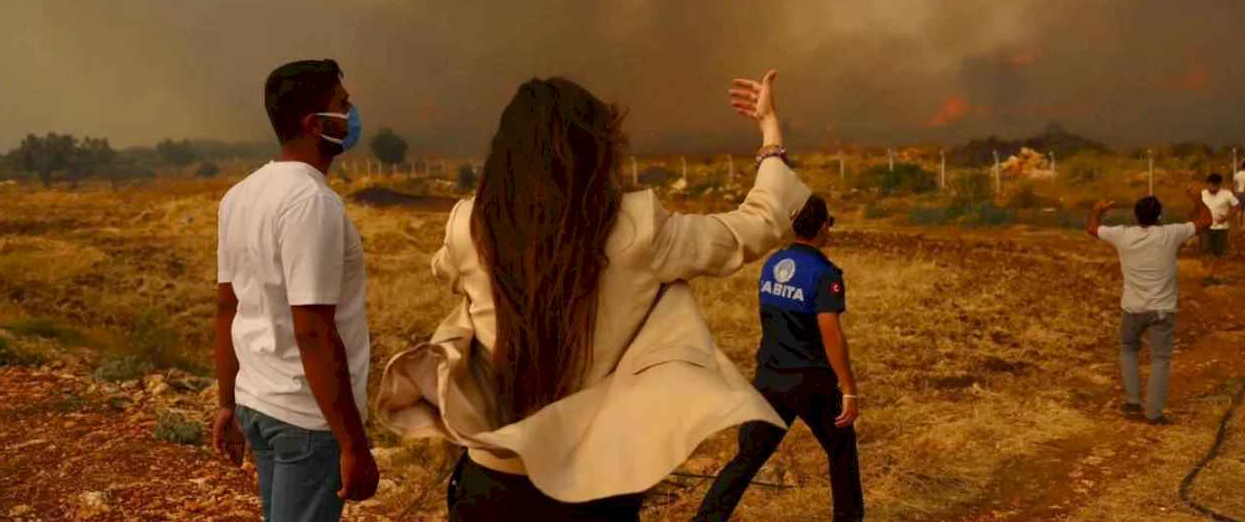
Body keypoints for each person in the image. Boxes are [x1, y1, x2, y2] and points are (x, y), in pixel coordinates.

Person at [376, 69, 812, 520]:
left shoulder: (470, 226)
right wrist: (770, 135)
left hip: (493, 483)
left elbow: (444, 269)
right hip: (595, 489)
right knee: (669, 290)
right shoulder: (640, 228)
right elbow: (757, 225)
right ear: (597, 149)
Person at [212, 59, 379, 521]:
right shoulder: (312, 203)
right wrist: (352, 444)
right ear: (314, 124)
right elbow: (312, 330)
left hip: (258, 403)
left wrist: (228, 402)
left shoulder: (240, 195)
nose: (352, 113)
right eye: (343, 105)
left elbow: (228, 307)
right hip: (305, 418)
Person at [695, 195, 864, 522]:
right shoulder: (824, 274)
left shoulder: (774, 263)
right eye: (829, 222)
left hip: (770, 380)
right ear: (823, 226)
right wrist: (848, 388)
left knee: (746, 461)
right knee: (842, 452)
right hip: (811, 382)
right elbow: (832, 335)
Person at [1087, 189, 1212, 424]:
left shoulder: (1122, 235)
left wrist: (1097, 210)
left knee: (1128, 349)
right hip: (1162, 310)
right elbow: (1206, 221)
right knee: (1160, 360)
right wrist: (1198, 200)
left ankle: (1133, 402)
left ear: (1135, 216)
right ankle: (1154, 414)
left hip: (1132, 308)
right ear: (1159, 215)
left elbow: (1092, 229)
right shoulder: (1171, 233)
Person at [1200, 173, 1241, 257]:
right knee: (1205, 250)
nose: (1213, 188)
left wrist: (1227, 217)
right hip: (1205, 227)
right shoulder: (1202, 194)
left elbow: (1237, 206)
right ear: (1207, 184)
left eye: (1215, 185)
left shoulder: (1227, 194)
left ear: (1219, 185)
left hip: (1221, 228)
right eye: (1211, 185)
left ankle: (1216, 267)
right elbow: (1197, 208)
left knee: (1218, 252)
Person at [1234, 160, 1245, 228]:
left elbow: (1234, 184)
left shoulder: (1237, 174)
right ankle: (1244, 225)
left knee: (1239, 210)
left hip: (1238, 192)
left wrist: (1235, 192)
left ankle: (1238, 225)